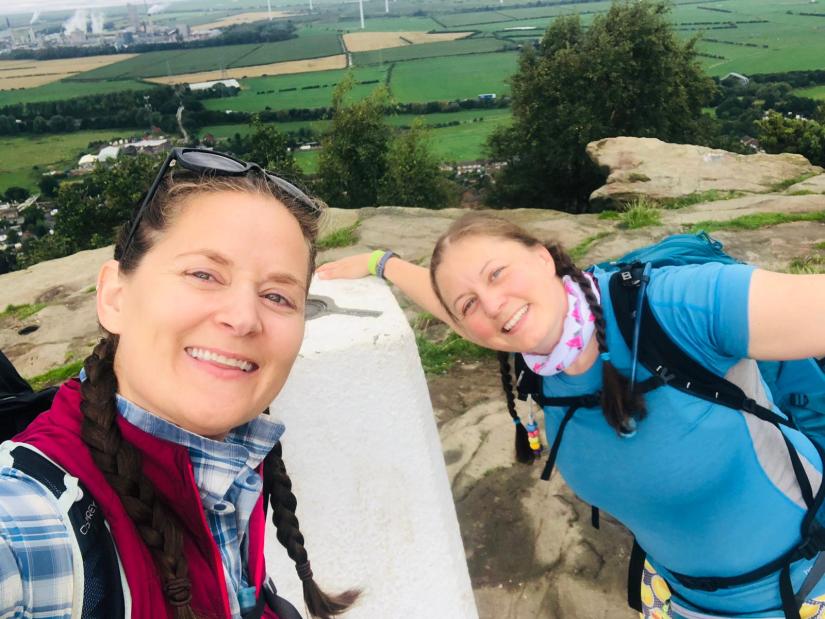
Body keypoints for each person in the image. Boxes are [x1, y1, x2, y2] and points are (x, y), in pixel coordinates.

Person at [316, 212, 825, 619]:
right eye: (470, 303)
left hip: (807, 588)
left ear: (543, 258)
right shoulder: (537, 356)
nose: (493, 306)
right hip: (676, 599)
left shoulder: (676, 307)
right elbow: (457, 304)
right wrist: (383, 263)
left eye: (498, 273)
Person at [0, 148, 359, 619]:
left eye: (277, 295)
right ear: (115, 297)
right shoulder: (29, 521)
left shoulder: (234, 467)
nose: (243, 317)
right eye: (204, 274)